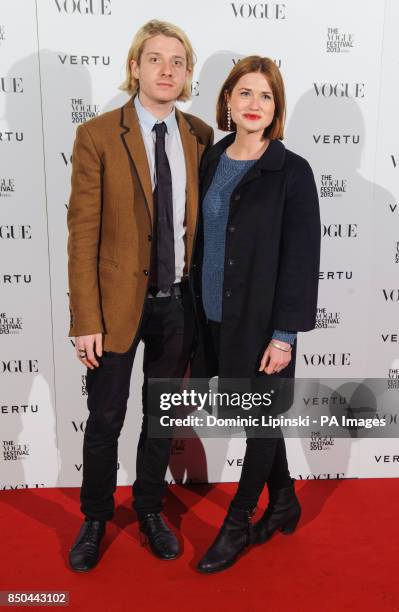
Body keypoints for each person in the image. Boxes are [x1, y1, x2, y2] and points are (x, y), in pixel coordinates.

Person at [66, 19, 213, 572]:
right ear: (135, 67)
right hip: (114, 308)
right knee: (105, 418)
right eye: (156, 59)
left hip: (177, 305)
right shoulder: (98, 135)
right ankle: (96, 517)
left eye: (178, 61)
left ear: (187, 73)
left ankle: (150, 509)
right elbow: (82, 234)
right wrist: (85, 318)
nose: (167, 69)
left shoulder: (199, 136)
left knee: (161, 417)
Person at [190, 56, 321, 573]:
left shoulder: (292, 171)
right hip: (215, 318)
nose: (253, 104)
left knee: (260, 423)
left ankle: (238, 521)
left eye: (265, 96)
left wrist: (285, 335)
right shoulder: (211, 159)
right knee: (254, 418)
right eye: (244, 93)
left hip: (265, 326)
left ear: (275, 108)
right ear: (226, 100)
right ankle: (285, 500)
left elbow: (301, 259)